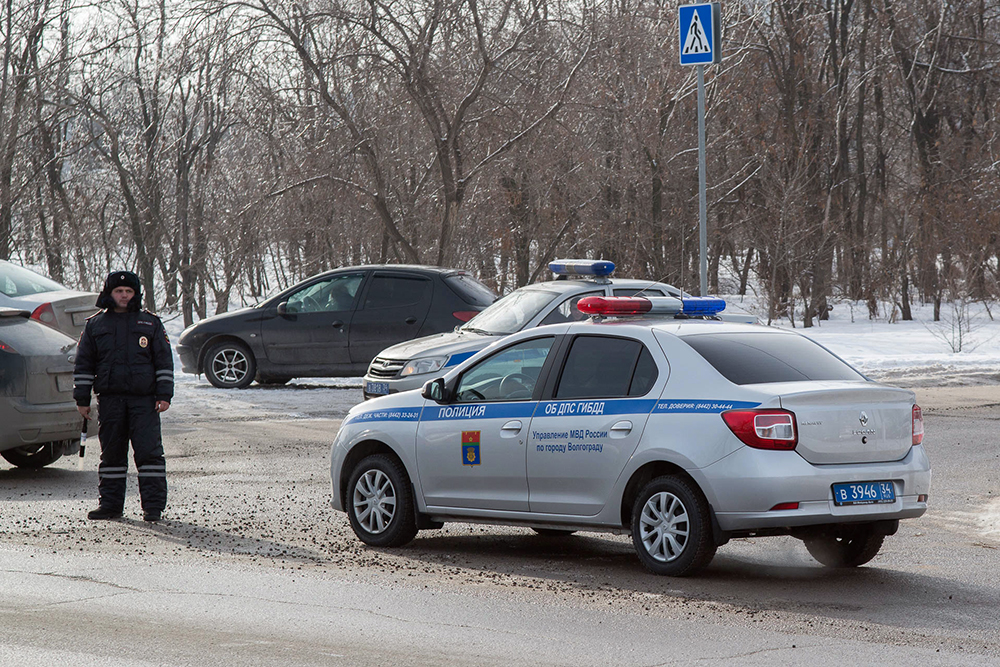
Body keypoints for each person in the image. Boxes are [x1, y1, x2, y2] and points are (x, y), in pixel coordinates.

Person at [74, 271, 173, 521]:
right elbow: (84, 364)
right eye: (119, 292)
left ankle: (153, 507)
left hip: (144, 401)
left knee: (149, 454)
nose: (124, 296)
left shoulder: (150, 323)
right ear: (109, 293)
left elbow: (163, 362)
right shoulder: (95, 325)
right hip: (110, 400)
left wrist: (164, 395)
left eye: (129, 292)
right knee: (112, 455)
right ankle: (110, 505)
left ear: (135, 294)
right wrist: (82, 399)